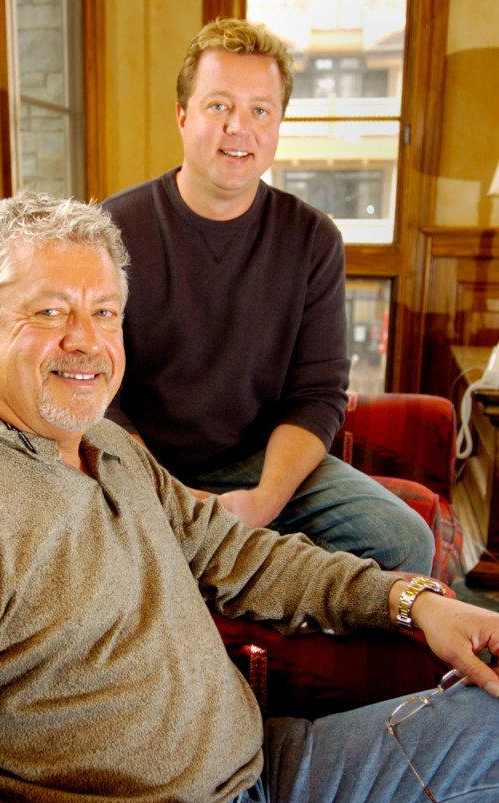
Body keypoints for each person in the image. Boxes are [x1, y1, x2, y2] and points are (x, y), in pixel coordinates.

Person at [0, 189, 499, 803]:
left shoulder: (108, 444)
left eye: (104, 311)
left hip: (267, 780)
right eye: (50, 311)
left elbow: (245, 556)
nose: (86, 340)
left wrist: (414, 601)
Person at [103, 18, 435, 574]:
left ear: (279, 124)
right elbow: (97, 391)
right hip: (144, 460)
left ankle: (237, 567)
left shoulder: (313, 239)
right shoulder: (111, 228)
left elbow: (318, 393)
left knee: (402, 540)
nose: (240, 128)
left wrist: (264, 502)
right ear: (182, 116)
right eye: (218, 106)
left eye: (260, 110)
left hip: (262, 462)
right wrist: (159, 495)